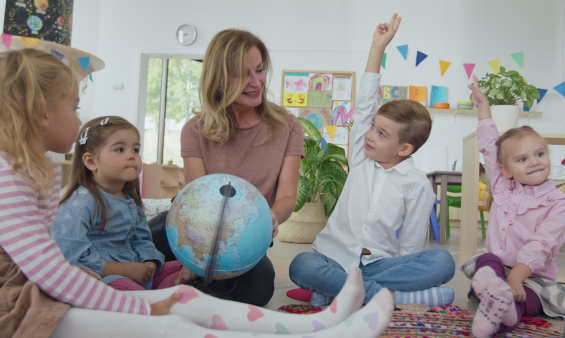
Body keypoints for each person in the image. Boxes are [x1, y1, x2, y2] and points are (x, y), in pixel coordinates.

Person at [0, 48, 395, 338]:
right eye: (75, 106)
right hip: (23, 302)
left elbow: (58, 264)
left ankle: (317, 323)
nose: (80, 116)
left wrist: (149, 280)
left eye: (260, 71)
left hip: (52, 287)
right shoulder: (11, 176)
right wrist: (138, 304)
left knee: (185, 300)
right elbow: (53, 268)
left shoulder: (39, 171)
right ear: (41, 113)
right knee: (170, 322)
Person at [288, 13, 456, 308]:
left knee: (442, 262)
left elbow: (411, 244)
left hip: (381, 265)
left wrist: (403, 269)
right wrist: (377, 48)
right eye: (372, 127)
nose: (370, 136)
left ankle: (339, 293)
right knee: (302, 266)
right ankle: (389, 297)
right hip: (334, 258)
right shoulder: (361, 157)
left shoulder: (417, 184)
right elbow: (365, 102)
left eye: (382, 133)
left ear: (404, 149)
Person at [167, 27, 305, 306]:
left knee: (257, 291)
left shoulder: (288, 126)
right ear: (218, 79)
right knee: (144, 238)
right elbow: (195, 199)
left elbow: (287, 197)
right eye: (241, 74)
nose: (255, 82)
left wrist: (271, 218)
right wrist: (193, 259)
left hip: (243, 239)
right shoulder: (195, 130)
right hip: (198, 232)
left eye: (259, 70)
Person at [462, 75, 565, 338]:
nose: (534, 162)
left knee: (534, 299)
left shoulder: (559, 203)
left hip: (533, 275)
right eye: (522, 159)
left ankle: (508, 310)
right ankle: (493, 291)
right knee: (486, 260)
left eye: (539, 154)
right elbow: (490, 148)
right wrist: (483, 110)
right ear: (506, 170)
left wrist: (516, 279)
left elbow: (541, 244)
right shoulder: (502, 187)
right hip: (498, 269)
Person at [50, 116, 183, 291]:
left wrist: (149, 262)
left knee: (187, 270)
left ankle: (164, 298)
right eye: (120, 149)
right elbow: (71, 254)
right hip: (102, 278)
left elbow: (142, 239)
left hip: (137, 272)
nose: (131, 156)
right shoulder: (81, 201)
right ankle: (154, 303)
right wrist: (125, 270)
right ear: (91, 161)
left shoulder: (131, 201)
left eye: (135, 149)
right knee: (126, 287)